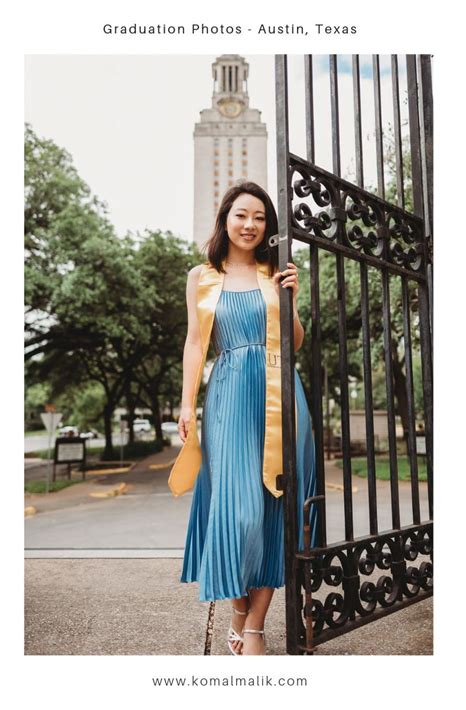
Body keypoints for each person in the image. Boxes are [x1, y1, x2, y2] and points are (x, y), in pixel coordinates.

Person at [168, 181, 318, 656]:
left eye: (259, 217)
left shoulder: (277, 272)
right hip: (231, 390)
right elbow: (195, 343)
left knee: (279, 509)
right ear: (225, 220)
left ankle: (254, 625)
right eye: (241, 215)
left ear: (268, 225)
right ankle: (236, 609)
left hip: (281, 392)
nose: (250, 224)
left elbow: (295, 341)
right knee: (238, 511)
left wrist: (291, 299)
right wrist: (187, 402)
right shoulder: (202, 276)